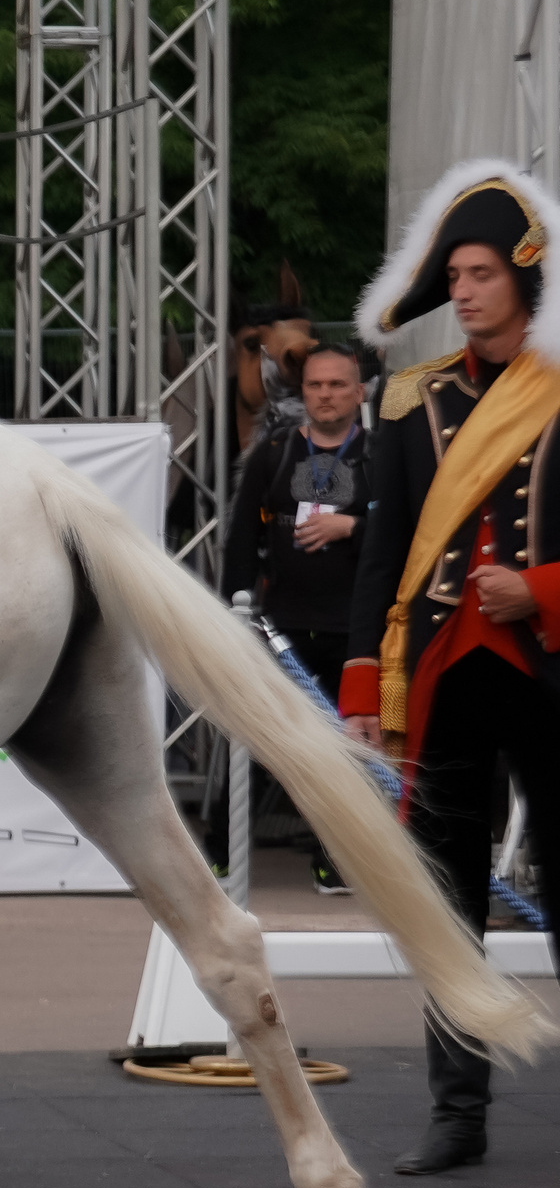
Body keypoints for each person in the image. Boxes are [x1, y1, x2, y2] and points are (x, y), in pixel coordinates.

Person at [339, 162, 560, 1176]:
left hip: (545, 666)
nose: (464, 291)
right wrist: (357, 686)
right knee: (443, 901)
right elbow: (377, 560)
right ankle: (456, 1114)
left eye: (479, 273)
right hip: (436, 674)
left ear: (525, 279)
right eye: (455, 275)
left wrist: (543, 589)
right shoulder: (404, 402)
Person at [224, 341, 371, 893]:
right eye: (315, 385)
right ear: (301, 392)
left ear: (359, 392)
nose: (326, 395)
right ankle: (218, 850)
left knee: (351, 752)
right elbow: (241, 540)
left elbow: (414, 538)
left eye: (337, 385)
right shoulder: (274, 453)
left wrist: (350, 527)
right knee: (257, 738)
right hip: (280, 629)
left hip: (357, 632)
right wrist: (232, 618)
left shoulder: (380, 455)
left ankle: (334, 861)